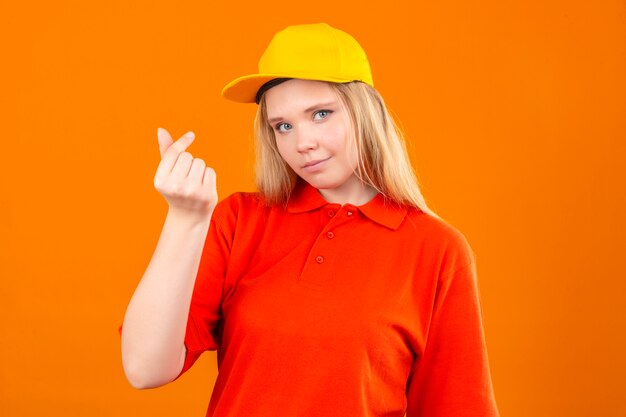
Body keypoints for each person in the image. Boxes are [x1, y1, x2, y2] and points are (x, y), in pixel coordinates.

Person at [121, 22, 499, 417]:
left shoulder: (437, 249)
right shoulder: (238, 220)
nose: (302, 143)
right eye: (283, 126)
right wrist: (184, 220)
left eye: (320, 114)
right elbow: (144, 369)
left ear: (366, 112)